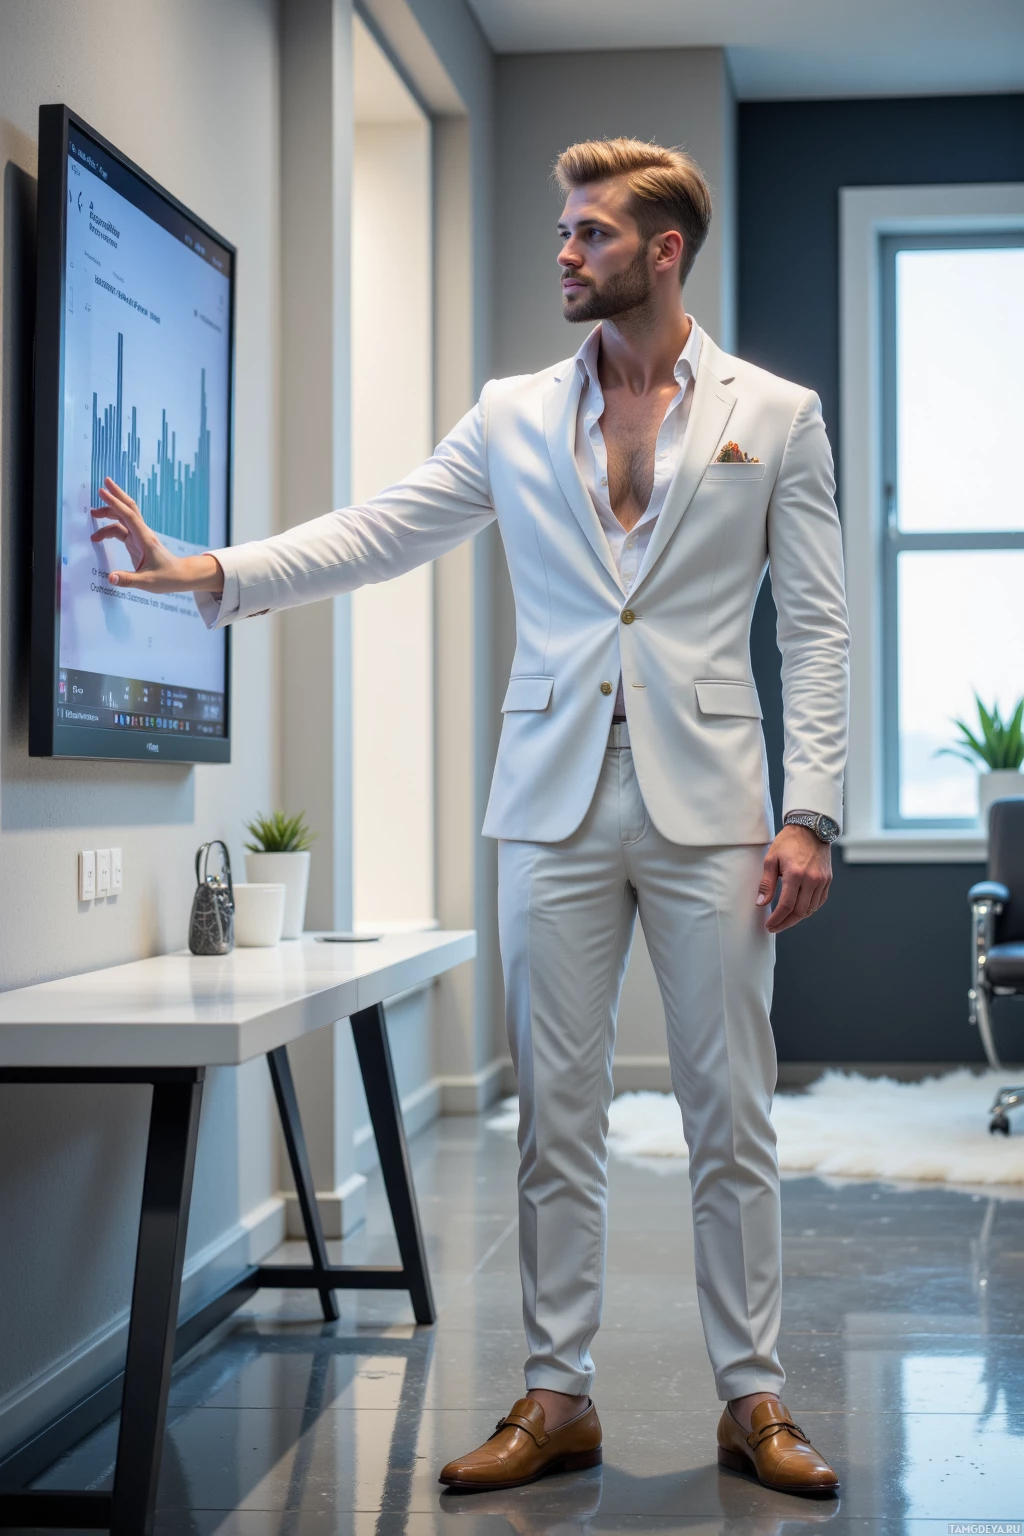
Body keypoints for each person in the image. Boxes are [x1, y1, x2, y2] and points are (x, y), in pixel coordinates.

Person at [91, 137, 849, 1497]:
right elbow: (380, 530)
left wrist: (814, 814)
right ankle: (557, 1396)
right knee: (557, 1116)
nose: (563, 252)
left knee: (727, 1110)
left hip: (720, 813)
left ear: (663, 252)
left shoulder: (774, 414)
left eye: (590, 235)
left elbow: (820, 628)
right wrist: (208, 569)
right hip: (550, 804)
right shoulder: (508, 414)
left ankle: (755, 1399)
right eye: (561, 231)